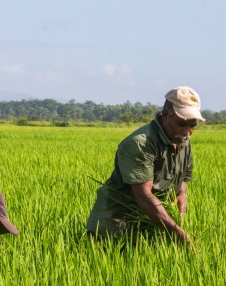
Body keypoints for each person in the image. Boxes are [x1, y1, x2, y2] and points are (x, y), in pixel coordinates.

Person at [86, 86, 204, 249]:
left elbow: (182, 179)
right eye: (182, 124)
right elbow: (143, 196)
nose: (188, 132)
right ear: (165, 115)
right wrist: (178, 233)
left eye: (192, 125)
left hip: (150, 226)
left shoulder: (183, 141)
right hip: (115, 229)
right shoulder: (140, 144)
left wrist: (181, 199)